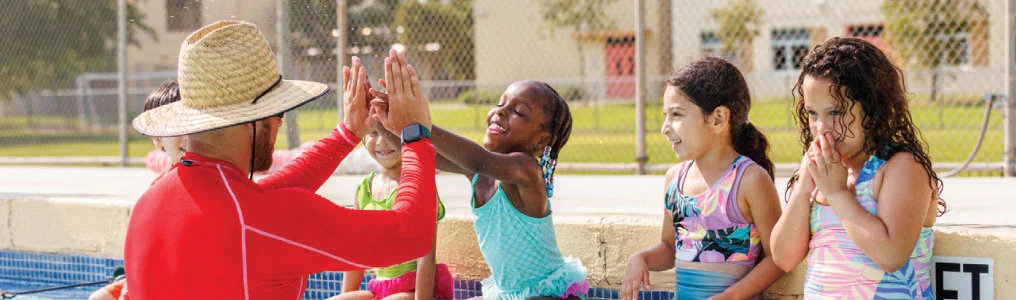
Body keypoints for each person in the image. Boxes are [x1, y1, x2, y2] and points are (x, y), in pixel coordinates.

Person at [124, 20, 438, 299]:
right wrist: (415, 136)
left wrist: (348, 133)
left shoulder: (149, 204)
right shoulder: (259, 219)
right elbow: (411, 234)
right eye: (278, 111)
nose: (280, 122)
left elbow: (264, 198)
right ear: (252, 119)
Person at [372, 54, 588, 299]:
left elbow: (477, 158)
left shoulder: (527, 170)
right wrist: (379, 118)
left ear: (543, 141)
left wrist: (417, 122)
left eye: (518, 111)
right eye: (500, 104)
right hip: (507, 293)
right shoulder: (479, 176)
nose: (500, 112)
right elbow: (418, 149)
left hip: (544, 294)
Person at [770, 37, 944, 299]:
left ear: (874, 108)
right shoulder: (819, 173)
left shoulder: (899, 168)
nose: (821, 128)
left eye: (836, 112)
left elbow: (890, 255)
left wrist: (838, 193)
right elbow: (784, 258)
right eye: (813, 113)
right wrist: (803, 188)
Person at [621, 57, 785, 300]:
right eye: (666, 115)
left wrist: (731, 296)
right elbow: (669, 247)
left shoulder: (749, 181)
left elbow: (778, 258)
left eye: (676, 114)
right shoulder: (674, 180)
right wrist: (641, 259)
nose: (665, 127)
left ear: (718, 119)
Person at [329, 122, 453, 300]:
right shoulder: (364, 191)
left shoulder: (418, 187)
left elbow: (426, 257)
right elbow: (358, 251)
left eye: (389, 132)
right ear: (363, 139)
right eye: (373, 133)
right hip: (382, 288)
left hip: (417, 291)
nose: (382, 141)